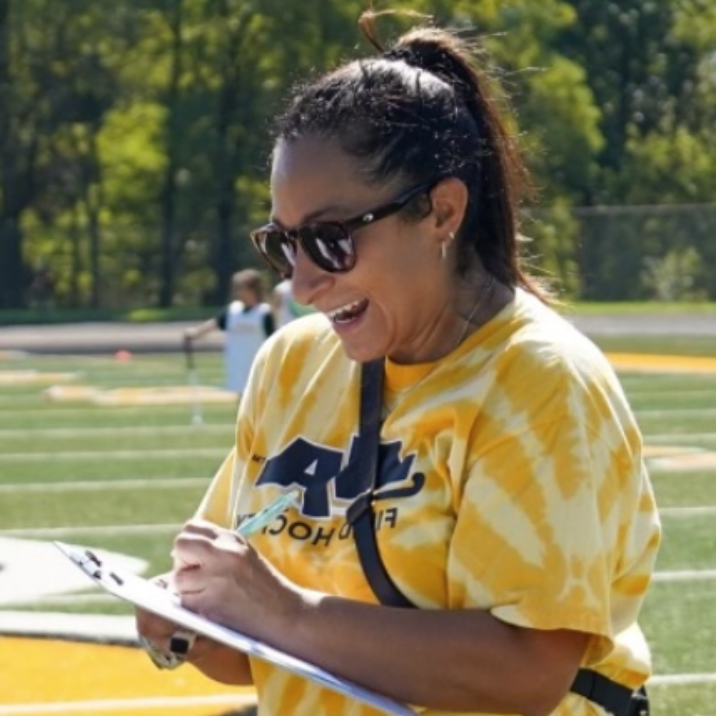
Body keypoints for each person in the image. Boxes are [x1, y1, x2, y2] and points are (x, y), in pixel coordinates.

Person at [138, 11, 661, 716]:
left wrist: (285, 611)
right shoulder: (290, 364)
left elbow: (526, 674)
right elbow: (248, 650)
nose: (301, 283)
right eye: (283, 243)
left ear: (442, 212)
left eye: (329, 239)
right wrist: (189, 624)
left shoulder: (539, 381)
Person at [183, 269, 274, 397]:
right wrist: (194, 333)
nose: (238, 292)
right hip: (237, 365)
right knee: (242, 401)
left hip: (259, 366)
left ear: (253, 289)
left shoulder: (264, 312)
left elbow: (274, 339)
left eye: (241, 288)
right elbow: (215, 323)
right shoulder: (233, 310)